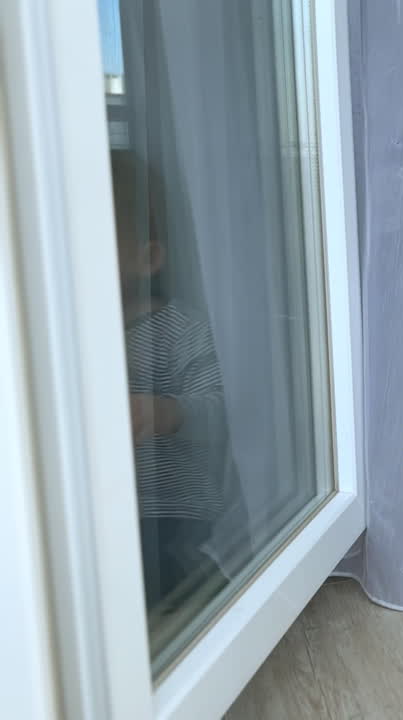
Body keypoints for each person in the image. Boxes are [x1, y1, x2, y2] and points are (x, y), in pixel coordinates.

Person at [112, 149, 229, 610]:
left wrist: (168, 411)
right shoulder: (76, 337)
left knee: (163, 574)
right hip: (107, 511)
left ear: (147, 258)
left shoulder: (181, 328)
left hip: (172, 509)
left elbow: (218, 409)